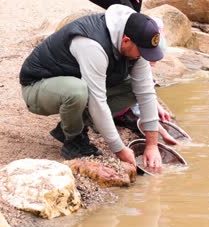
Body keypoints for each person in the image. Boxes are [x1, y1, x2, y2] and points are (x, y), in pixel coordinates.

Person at [19, 4, 163, 171]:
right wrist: (119, 149)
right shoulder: (92, 45)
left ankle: (69, 126)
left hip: (72, 84)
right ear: (125, 41)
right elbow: (97, 102)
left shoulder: (134, 39)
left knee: (133, 87)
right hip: (37, 87)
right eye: (142, 52)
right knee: (77, 91)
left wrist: (152, 145)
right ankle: (73, 140)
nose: (144, 57)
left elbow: (146, 93)